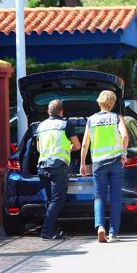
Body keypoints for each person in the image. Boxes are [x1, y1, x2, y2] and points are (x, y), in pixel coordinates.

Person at [80, 90, 129, 243]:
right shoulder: (117, 118)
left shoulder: (91, 120)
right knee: (115, 198)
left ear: (99, 102)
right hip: (115, 161)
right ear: (113, 103)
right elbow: (125, 136)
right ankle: (113, 233)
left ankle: (100, 227)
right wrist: (123, 153)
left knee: (99, 196)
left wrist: (82, 163)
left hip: (98, 163)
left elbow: (84, 144)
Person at [36, 99, 81, 240]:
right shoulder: (65, 125)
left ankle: (54, 229)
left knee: (50, 201)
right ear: (62, 112)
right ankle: (47, 231)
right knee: (57, 200)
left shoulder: (40, 126)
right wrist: (68, 148)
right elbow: (77, 146)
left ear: (48, 111)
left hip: (43, 167)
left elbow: (38, 148)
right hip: (58, 167)